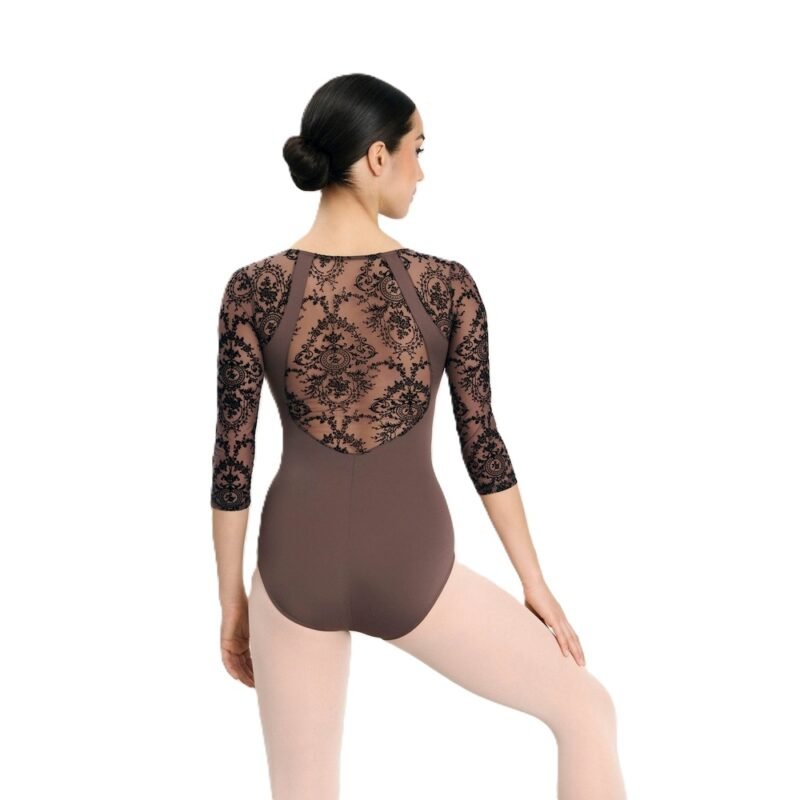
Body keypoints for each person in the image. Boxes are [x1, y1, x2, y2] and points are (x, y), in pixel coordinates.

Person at [210, 72, 627, 800]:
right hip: (410, 565)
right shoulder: (444, 286)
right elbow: (482, 445)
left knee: (304, 791)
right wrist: (534, 584)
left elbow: (230, 465)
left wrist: (233, 604)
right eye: (418, 149)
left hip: (291, 566)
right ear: (378, 157)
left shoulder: (252, 288)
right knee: (586, 711)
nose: (422, 172)